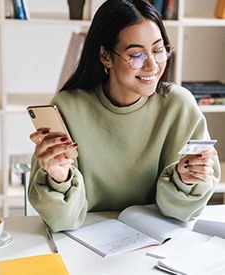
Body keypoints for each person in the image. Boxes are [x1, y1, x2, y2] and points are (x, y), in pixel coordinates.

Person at [28, 0, 220, 232]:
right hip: (84, 241)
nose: (152, 65)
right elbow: (62, 222)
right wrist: (59, 178)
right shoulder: (67, 107)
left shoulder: (179, 106)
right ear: (106, 56)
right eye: (136, 55)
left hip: (157, 241)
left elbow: (182, 215)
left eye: (159, 51)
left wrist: (185, 180)